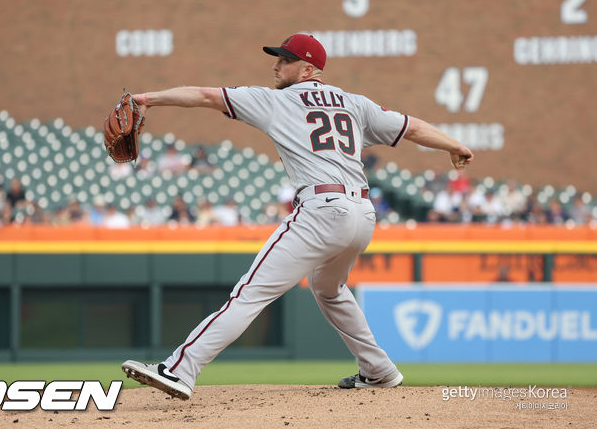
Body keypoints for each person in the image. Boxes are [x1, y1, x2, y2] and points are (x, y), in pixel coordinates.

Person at [121, 34, 473, 400]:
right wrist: (454, 145)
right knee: (329, 288)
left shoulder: (276, 100)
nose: (275, 66)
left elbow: (207, 96)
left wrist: (149, 99)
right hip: (363, 215)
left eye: (284, 60)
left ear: (308, 69)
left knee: (249, 294)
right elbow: (411, 127)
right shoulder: (355, 104)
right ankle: (378, 369)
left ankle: (179, 369)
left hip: (322, 211)